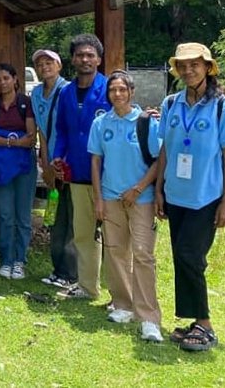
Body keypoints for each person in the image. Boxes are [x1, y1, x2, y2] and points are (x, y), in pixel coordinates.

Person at [155, 43, 225, 352]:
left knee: (191, 255)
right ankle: (194, 322)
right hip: (176, 195)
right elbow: (165, 149)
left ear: (207, 68)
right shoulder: (171, 104)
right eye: (183, 66)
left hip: (207, 197)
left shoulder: (222, 106)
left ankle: (205, 325)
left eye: (195, 65)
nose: (188, 70)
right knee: (183, 257)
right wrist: (159, 189)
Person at [88, 71, 163, 342]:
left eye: (122, 90)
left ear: (131, 92)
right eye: (112, 91)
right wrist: (98, 198)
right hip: (110, 197)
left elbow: (158, 160)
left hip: (141, 198)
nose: (117, 95)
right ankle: (122, 304)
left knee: (143, 255)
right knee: (116, 253)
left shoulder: (146, 122)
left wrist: (139, 188)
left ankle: (149, 318)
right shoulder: (100, 123)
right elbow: (96, 162)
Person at [52, 34, 111, 300]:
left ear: (98, 59)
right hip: (77, 173)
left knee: (113, 237)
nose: (85, 59)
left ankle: (119, 294)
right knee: (83, 234)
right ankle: (88, 288)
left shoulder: (111, 89)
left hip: (109, 176)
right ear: (72, 59)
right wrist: (57, 156)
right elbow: (62, 129)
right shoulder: (66, 92)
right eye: (80, 55)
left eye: (90, 55)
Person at [0, 64, 37, 280]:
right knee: (5, 214)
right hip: (2, 165)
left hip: (25, 165)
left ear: (15, 79)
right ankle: (6, 259)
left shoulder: (26, 103)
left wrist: (4, 140)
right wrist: (13, 140)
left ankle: (19, 260)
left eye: (6, 78)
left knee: (23, 215)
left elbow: (31, 137)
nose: (2, 82)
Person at [30, 48, 76, 289]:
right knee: (56, 216)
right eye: (40, 63)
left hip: (69, 162)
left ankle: (71, 272)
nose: (44, 66)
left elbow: (69, 129)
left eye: (49, 62)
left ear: (59, 65)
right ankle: (59, 269)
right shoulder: (37, 93)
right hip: (51, 161)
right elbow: (42, 132)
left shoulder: (68, 90)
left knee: (71, 217)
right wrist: (47, 165)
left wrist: (61, 164)